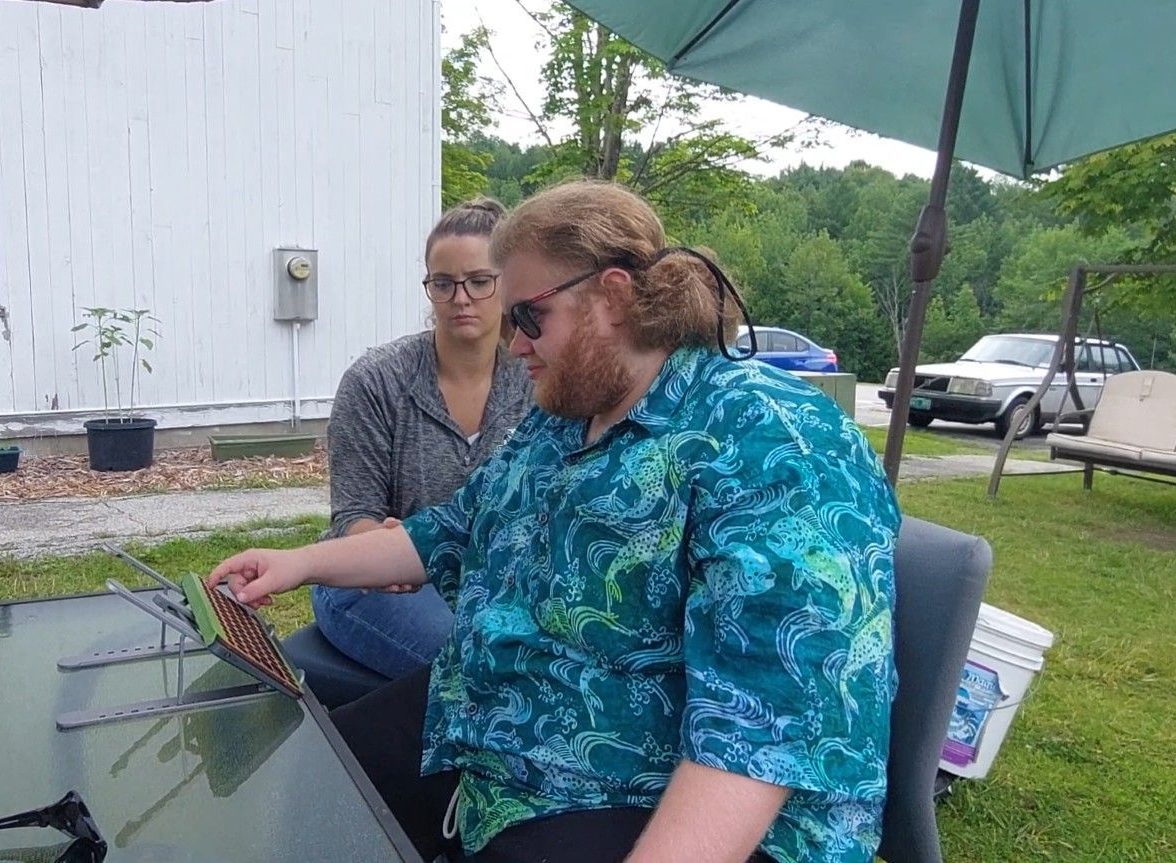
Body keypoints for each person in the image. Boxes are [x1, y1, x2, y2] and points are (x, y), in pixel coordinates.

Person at [212, 180, 900, 863]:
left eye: (529, 316)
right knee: (313, 789)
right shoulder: (564, 414)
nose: (512, 343)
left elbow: (765, 724)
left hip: (650, 791)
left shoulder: (772, 440)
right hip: (507, 725)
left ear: (613, 296)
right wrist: (298, 561)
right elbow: (453, 527)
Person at [312, 198, 533, 679]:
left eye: (479, 281)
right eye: (443, 283)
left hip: (495, 581)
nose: (460, 299)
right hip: (372, 581)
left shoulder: (535, 378)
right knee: (478, 667)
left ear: (507, 285)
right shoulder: (376, 382)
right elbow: (352, 516)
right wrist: (389, 550)